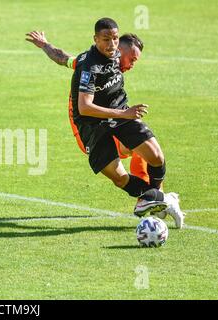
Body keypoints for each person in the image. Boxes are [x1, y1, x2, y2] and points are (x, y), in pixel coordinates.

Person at [26, 18, 184, 228]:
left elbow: (63, 58)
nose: (112, 44)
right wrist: (124, 114)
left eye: (115, 39)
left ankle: (155, 199)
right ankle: (157, 199)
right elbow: (84, 107)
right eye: (106, 39)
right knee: (119, 177)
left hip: (119, 114)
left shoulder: (116, 53)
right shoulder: (89, 66)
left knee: (155, 156)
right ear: (96, 39)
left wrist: (45, 45)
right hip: (92, 124)